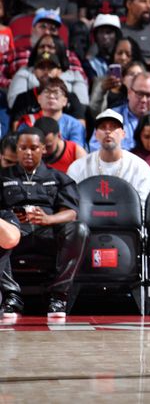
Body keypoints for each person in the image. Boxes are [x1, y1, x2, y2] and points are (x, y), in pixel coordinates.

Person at [0, 126, 87, 318]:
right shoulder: (3, 176)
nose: (28, 153)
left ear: (43, 149)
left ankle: (58, 295)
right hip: (14, 233)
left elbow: (71, 213)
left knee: (78, 229)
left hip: (47, 233)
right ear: (17, 149)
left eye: (33, 148)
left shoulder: (58, 178)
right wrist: (10, 218)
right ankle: (11, 296)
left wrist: (48, 219)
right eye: (23, 148)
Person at [68, 109, 150, 208]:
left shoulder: (140, 168)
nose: (108, 131)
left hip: (128, 222)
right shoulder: (78, 167)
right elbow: (71, 206)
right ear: (96, 135)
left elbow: (143, 208)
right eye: (103, 127)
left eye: (113, 127)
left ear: (123, 134)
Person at [88, 72, 150, 152]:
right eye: (139, 94)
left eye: (148, 95)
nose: (144, 100)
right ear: (129, 93)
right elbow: (95, 147)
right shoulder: (111, 117)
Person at [16, 77, 86, 148]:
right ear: (39, 99)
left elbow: (76, 151)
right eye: (47, 92)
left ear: (65, 101)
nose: (51, 96)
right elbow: (20, 148)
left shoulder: (74, 125)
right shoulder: (29, 122)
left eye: (56, 93)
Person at [89, 43, 144, 115]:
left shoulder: (148, 92)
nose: (123, 57)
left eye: (128, 54)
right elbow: (94, 112)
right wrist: (102, 90)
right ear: (123, 78)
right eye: (132, 74)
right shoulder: (102, 83)